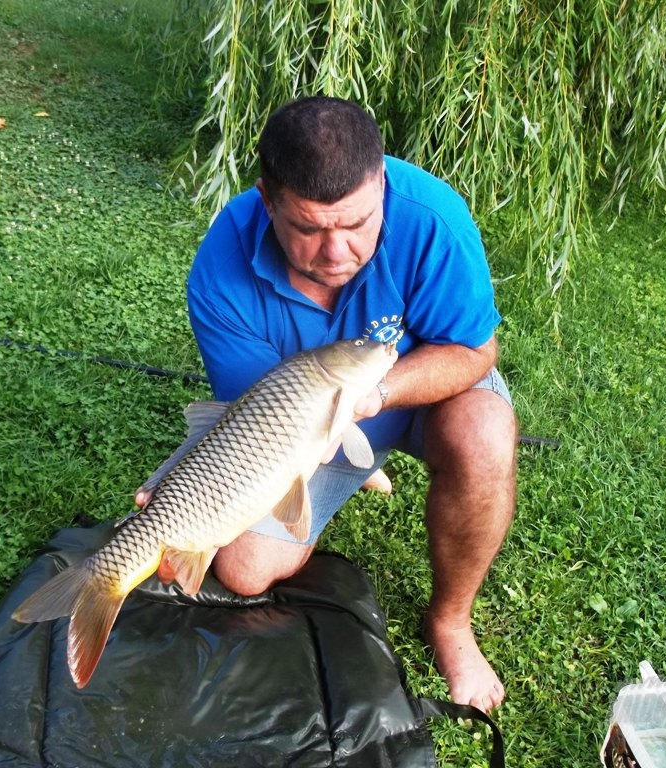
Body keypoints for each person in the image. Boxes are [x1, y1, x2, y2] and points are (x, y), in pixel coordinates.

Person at [138, 96, 517, 713]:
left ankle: (450, 622)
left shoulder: (432, 218)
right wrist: (188, 495)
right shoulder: (221, 268)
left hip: (415, 392)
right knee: (243, 569)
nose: (337, 252)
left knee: (485, 433)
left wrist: (380, 395)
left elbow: (475, 352)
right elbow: (255, 429)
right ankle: (362, 464)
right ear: (268, 201)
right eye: (309, 229)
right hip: (301, 424)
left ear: (381, 187)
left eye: (358, 224)